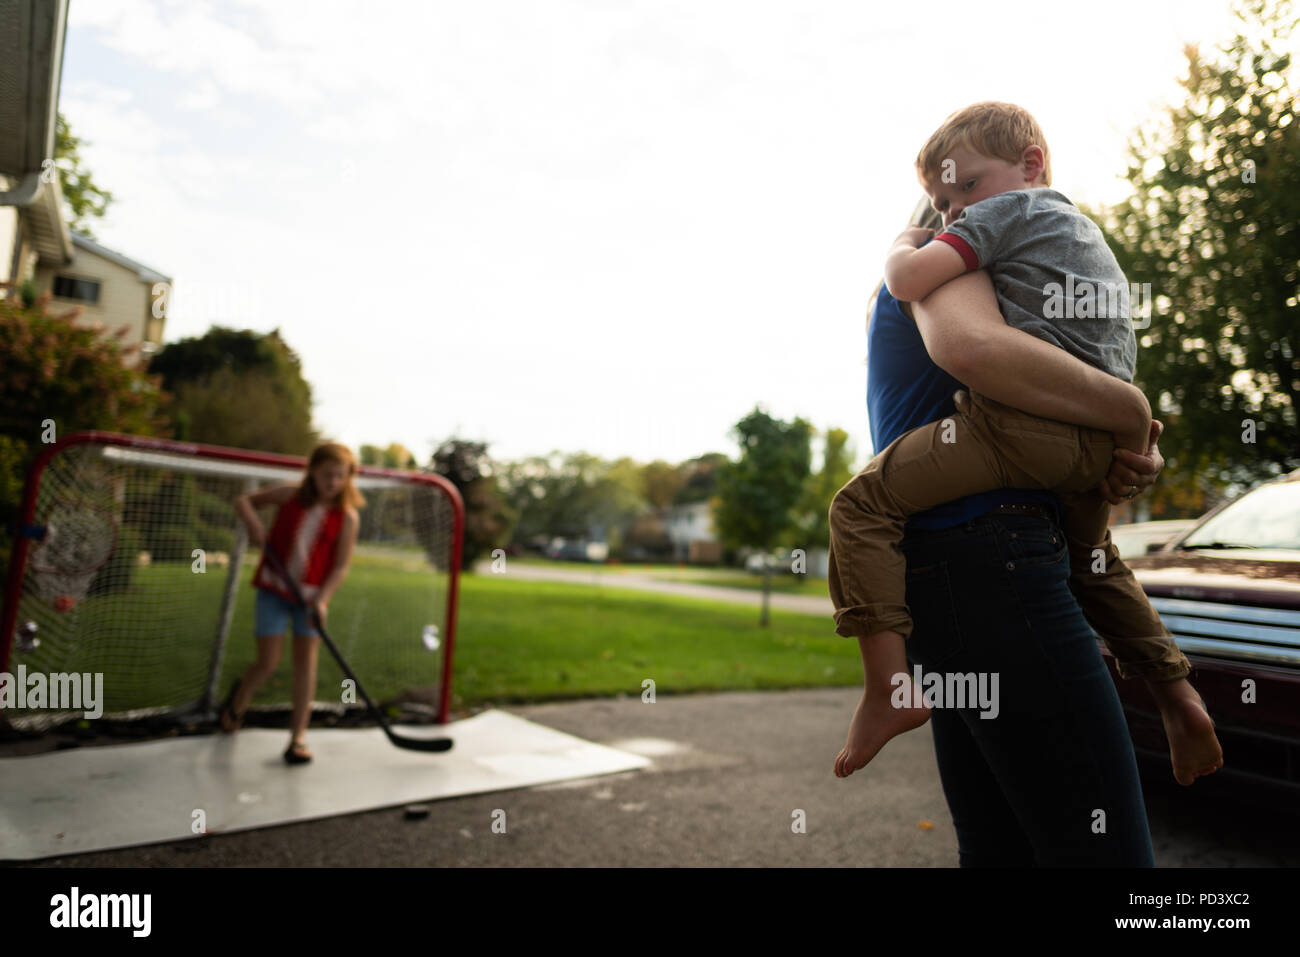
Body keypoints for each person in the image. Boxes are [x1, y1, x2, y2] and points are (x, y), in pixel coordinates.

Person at [828, 102, 1222, 788]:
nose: (954, 217)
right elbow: (1088, 368)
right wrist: (1127, 426)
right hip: (1038, 497)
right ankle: (1175, 690)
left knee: (856, 507)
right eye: (943, 204)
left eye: (962, 195)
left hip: (983, 537)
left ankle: (887, 689)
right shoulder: (1070, 242)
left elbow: (969, 347)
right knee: (1096, 561)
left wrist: (904, 245)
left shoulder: (958, 250)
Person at [219, 442, 363, 765]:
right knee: (268, 662)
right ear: (312, 470)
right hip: (274, 589)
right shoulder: (289, 495)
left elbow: (340, 566)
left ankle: (298, 737)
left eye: (340, 477)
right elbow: (244, 501)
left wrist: (323, 600)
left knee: (305, 666)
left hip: (309, 601)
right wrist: (254, 524)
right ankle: (238, 700)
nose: (333, 482)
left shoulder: (348, 518)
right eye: (327, 474)